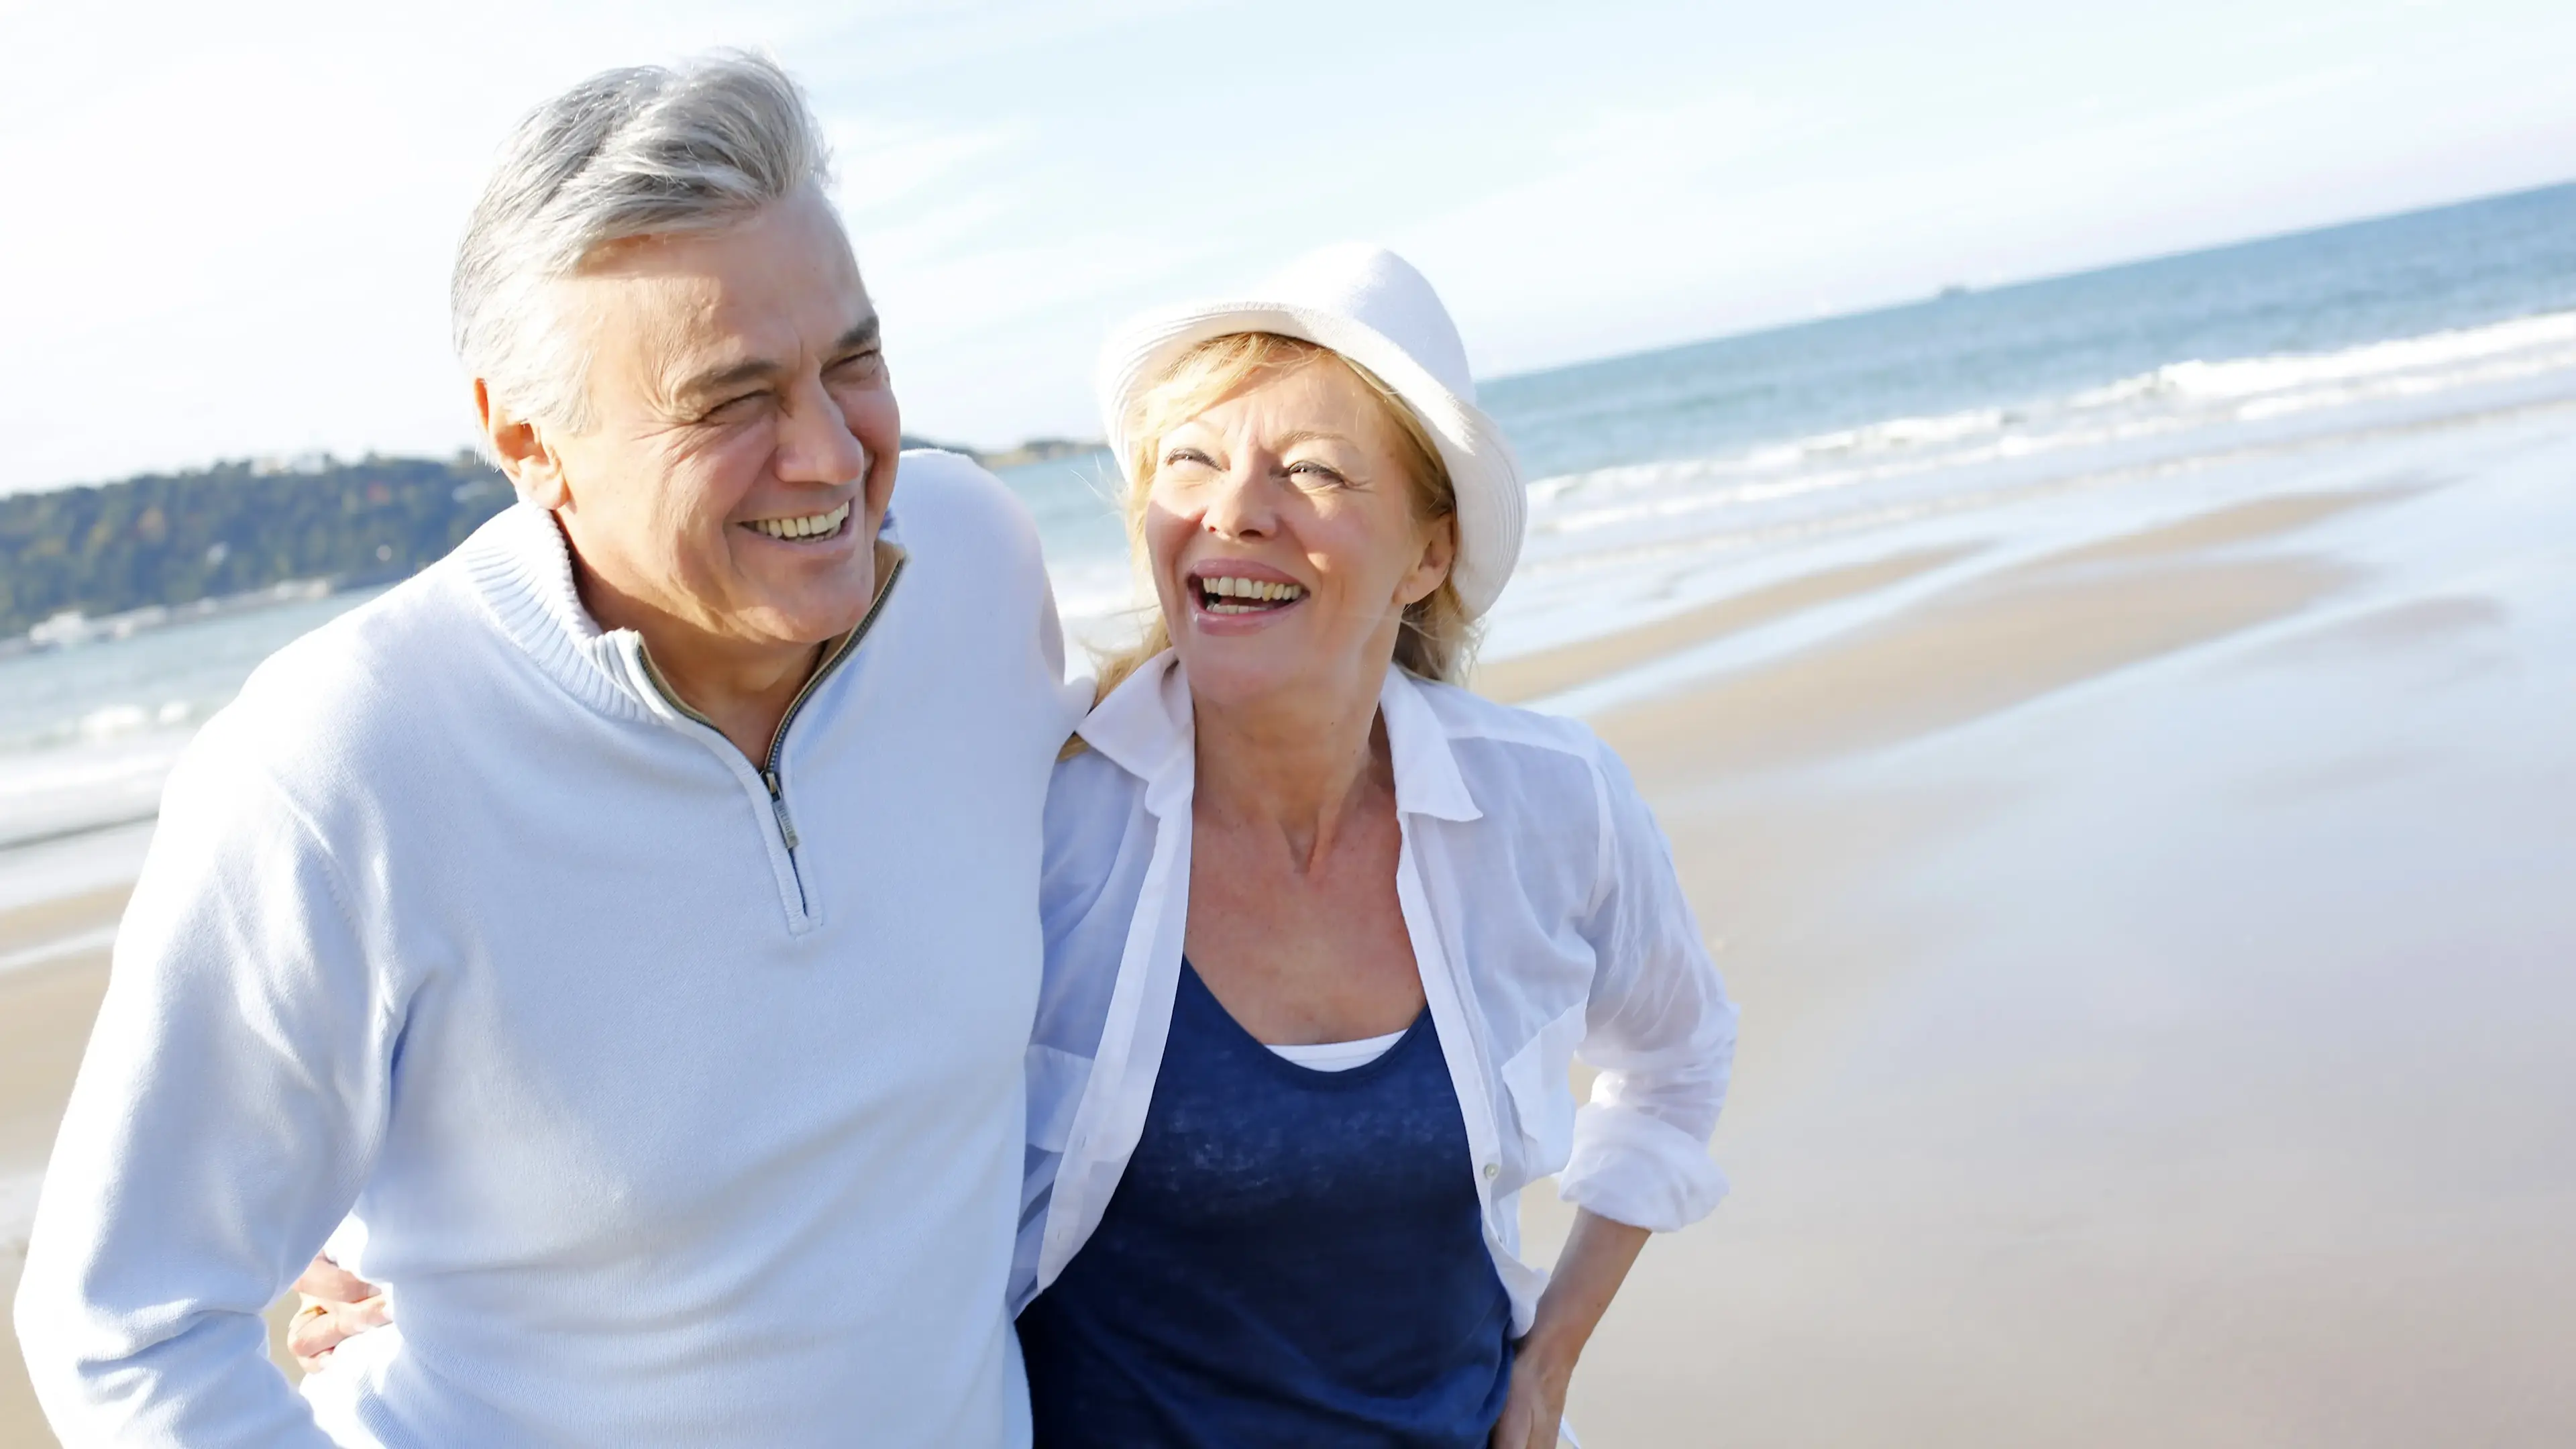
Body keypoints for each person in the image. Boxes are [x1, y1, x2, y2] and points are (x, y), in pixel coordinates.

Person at [13, 52, 1079, 1446]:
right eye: (732, 398)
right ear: (531, 444)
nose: (828, 453)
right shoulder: (342, 765)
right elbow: (124, 1328)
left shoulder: (981, 565)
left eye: (853, 362)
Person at [1012, 246, 1739, 1446]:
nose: (1236, 508)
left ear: (1429, 554)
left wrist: (1549, 1362)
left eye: (1311, 470)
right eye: (1191, 458)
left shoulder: (1550, 805)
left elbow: (1679, 1059)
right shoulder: (1044, 812)